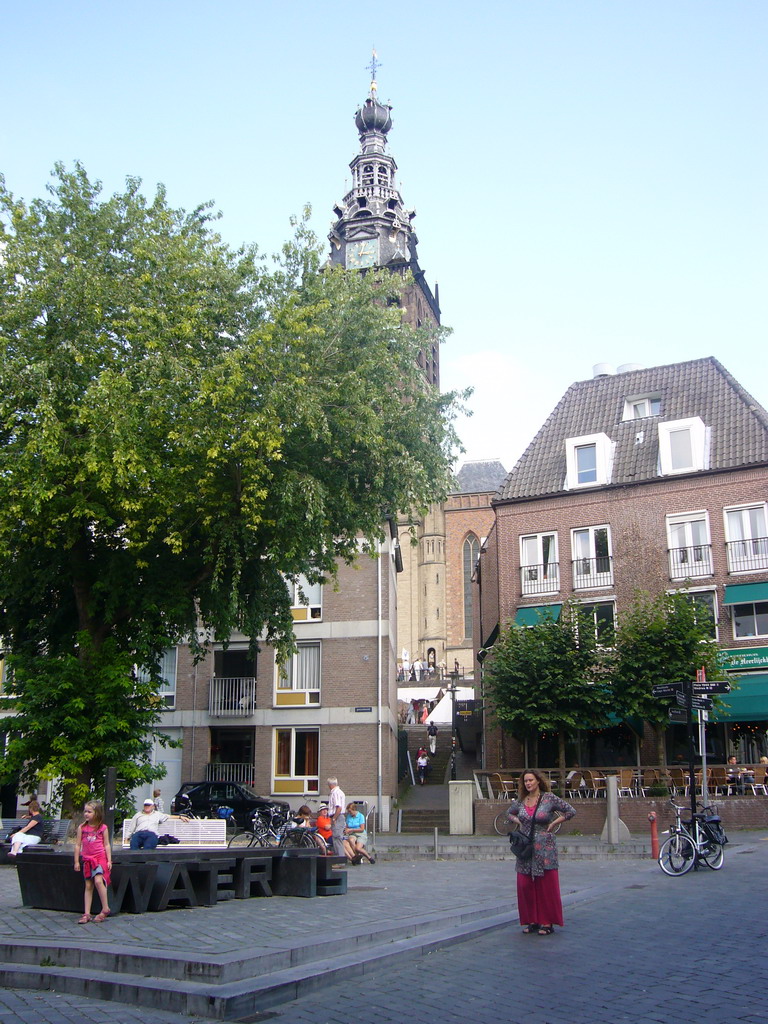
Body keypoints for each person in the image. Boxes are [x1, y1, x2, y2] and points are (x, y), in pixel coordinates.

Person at [507, 769, 575, 936]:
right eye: (525, 781)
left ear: (538, 781)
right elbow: (509, 813)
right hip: (526, 846)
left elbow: (570, 811)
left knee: (545, 883)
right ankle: (532, 920)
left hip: (545, 846)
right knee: (524, 883)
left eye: (530, 780)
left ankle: (547, 921)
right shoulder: (522, 800)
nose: (528, 783)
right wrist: (519, 822)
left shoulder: (548, 798)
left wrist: (554, 823)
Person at [74, 800, 112, 923]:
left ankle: (105, 907)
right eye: (85, 811)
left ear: (97, 813)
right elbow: (77, 845)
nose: (86, 814)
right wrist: (76, 861)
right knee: (88, 885)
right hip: (87, 859)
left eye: (89, 812)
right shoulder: (82, 827)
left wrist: (109, 860)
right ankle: (86, 913)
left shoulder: (102, 828)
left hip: (99, 858)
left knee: (98, 881)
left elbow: (106, 844)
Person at [327, 776, 347, 857]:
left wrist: (334, 818)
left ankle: (340, 860)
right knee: (336, 838)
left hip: (337, 817)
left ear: (330, 784)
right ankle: (338, 859)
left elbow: (338, 807)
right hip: (338, 816)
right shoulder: (339, 792)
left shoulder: (335, 793)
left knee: (337, 838)